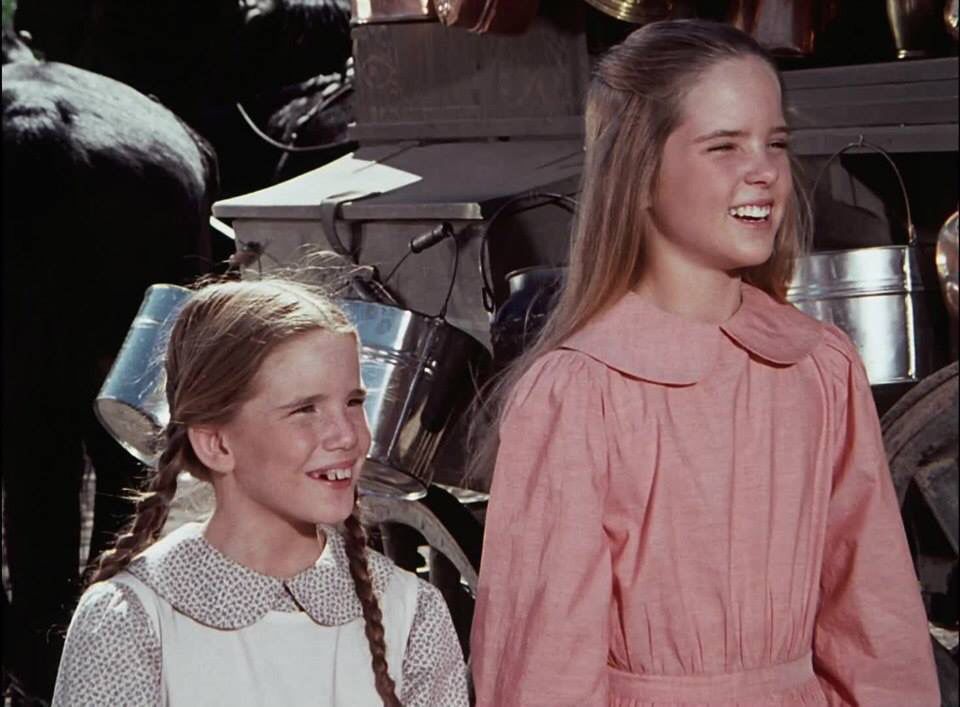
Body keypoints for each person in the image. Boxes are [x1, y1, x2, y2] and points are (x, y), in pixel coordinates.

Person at [469, 19, 939, 707]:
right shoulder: (577, 392)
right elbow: (541, 668)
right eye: (724, 145)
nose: (765, 170)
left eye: (775, 143)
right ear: (638, 172)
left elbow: (876, 626)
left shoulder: (819, 366)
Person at [51, 278, 470, 706]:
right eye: (305, 409)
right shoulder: (131, 621)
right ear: (218, 444)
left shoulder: (411, 612)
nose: (347, 436)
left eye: (354, 402)